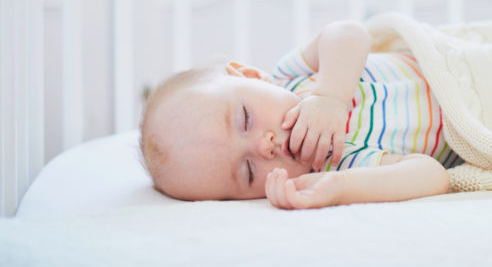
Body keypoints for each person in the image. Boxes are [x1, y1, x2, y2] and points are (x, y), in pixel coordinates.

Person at [139, 20, 455, 210]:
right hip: (477, 120)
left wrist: (330, 97)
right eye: (248, 171)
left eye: (245, 119)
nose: (265, 147)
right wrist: (342, 187)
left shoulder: (294, 77)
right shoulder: (338, 163)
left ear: (251, 76)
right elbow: (433, 175)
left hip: (454, 69)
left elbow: (349, 33)